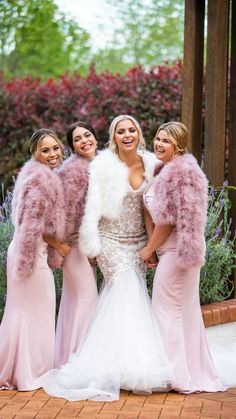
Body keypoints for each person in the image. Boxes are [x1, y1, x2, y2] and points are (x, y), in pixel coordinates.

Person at [39, 115, 174, 401]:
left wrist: (151, 247)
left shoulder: (152, 164)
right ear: (113, 137)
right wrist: (93, 247)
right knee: (128, 291)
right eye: (120, 131)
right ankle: (132, 367)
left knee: (127, 298)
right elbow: (92, 210)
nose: (127, 135)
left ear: (139, 133)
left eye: (131, 130)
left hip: (137, 241)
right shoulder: (103, 165)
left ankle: (122, 360)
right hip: (110, 242)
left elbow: (148, 210)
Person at [140, 121, 224, 393]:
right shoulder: (162, 170)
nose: (159, 144)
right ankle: (186, 371)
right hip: (168, 252)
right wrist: (155, 248)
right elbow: (152, 213)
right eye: (157, 139)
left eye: (165, 140)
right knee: (181, 312)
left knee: (167, 312)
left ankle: (175, 375)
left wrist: (149, 249)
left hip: (179, 253)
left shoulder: (181, 173)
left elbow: (167, 221)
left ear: (178, 144)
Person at [0, 128, 68, 391]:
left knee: (21, 312)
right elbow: (32, 225)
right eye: (45, 150)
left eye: (56, 148)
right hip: (29, 253)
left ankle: (16, 369)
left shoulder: (33, 175)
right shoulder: (41, 181)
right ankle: (29, 372)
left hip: (23, 250)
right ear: (35, 153)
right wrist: (59, 245)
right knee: (34, 311)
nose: (53, 154)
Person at [53, 122, 98, 367]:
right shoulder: (74, 171)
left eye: (87, 135)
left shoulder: (100, 164)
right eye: (78, 139)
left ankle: (67, 359)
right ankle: (79, 361)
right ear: (72, 147)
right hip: (74, 245)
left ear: (96, 138)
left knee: (75, 300)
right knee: (87, 297)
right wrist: (79, 245)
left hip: (86, 245)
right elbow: (67, 214)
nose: (84, 141)